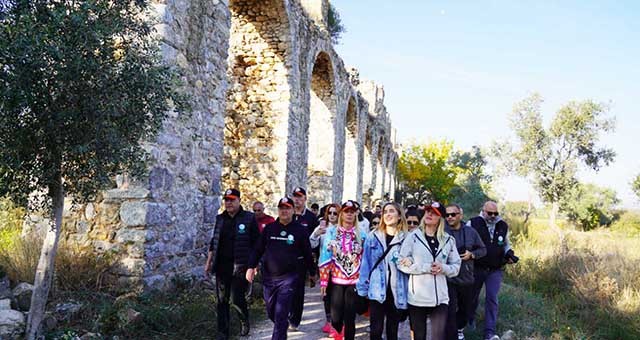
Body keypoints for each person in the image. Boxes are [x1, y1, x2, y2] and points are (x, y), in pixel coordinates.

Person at [246, 197, 317, 340]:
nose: (284, 211)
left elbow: (307, 253)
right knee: (272, 312)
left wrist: (312, 272)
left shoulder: (300, 230)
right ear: (278, 210)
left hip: (290, 278)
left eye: (287, 208)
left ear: (292, 210)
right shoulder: (270, 228)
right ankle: (282, 326)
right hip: (270, 278)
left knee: (280, 313)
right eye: (281, 208)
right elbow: (258, 249)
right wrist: (251, 266)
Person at [398, 202, 461, 340]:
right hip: (417, 298)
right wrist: (424, 267)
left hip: (440, 299)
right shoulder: (413, 237)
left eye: (434, 213)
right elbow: (401, 263)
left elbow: (456, 266)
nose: (429, 214)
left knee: (438, 337)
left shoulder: (448, 240)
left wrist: (443, 268)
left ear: (441, 218)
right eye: (427, 211)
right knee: (419, 336)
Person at [204, 189, 260, 339]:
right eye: (226, 200)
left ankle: (244, 320)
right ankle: (223, 333)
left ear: (239, 201)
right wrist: (208, 262)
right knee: (222, 300)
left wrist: (254, 265)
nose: (228, 203)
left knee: (237, 299)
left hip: (240, 266)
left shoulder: (249, 218)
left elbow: (257, 244)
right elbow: (213, 242)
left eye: (232, 200)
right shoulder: (220, 218)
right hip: (222, 266)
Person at [357, 202, 409, 340]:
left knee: (393, 331)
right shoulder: (372, 237)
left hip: (397, 290)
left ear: (399, 216)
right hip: (376, 289)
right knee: (376, 330)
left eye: (392, 211)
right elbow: (365, 264)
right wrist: (362, 290)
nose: (387, 214)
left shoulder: (407, 238)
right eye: (385, 211)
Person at [319, 200, 368, 340]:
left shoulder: (362, 234)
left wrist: (365, 280)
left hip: (354, 281)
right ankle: (338, 330)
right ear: (342, 214)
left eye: (352, 212)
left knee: (350, 317)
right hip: (336, 280)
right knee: (335, 317)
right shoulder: (332, 232)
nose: (349, 214)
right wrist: (323, 281)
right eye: (346, 211)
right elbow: (324, 256)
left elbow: (366, 259)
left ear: (356, 214)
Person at [467, 201, 517, 340]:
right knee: (472, 297)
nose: (493, 216)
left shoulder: (503, 225)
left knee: (492, 299)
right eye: (490, 213)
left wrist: (509, 254)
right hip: (476, 267)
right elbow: (465, 242)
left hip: (495, 269)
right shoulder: (473, 223)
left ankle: (489, 332)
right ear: (483, 211)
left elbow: (506, 244)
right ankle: (469, 321)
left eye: (496, 213)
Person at [444, 204, 486, 340]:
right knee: (449, 309)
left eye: (453, 214)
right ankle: (450, 334)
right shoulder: (441, 231)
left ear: (460, 215)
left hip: (466, 277)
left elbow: (483, 249)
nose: (449, 217)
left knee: (465, 309)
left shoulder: (471, 232)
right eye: (447, 215)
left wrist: (471, 255)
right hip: (447, 278)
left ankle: (459, 328)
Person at [289, 187, 318, 330]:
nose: (297, 200)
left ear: (305, 199)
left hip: (302, 260)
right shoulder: (286, 214)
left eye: (300, 197)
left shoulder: (311, 218)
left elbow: (316, 240)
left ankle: (294, 320)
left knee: (298, 291)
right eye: (295, 197)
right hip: (286, 259)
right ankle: (286, 314)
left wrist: (314, 267)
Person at [310, 203, 341, 334]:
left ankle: (338, 323)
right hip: (324, 266)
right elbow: (312, 244)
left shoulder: (343, 228)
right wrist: (316, 234)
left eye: (335, 213)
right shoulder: (322, 227)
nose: (332, 215)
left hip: (339, 267)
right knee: (326, 295)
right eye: (330, 213)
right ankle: (329, 321)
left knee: (338, 296)